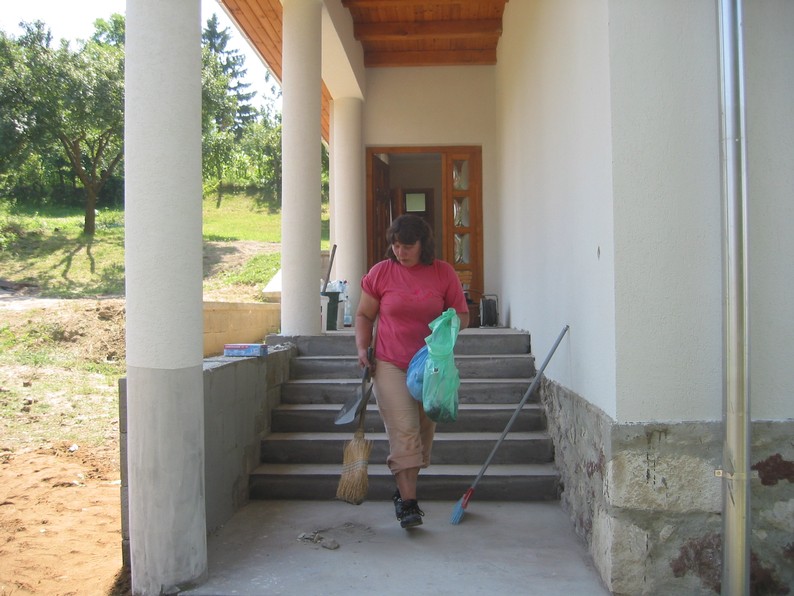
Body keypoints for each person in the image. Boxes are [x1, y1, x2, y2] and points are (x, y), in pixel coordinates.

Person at [355, 214, 470, 528]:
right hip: (389, 362)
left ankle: (403, 490)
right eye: (395, 245)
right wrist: (362, 349)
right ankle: (409, 503)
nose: (400, 252)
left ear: (423, 245)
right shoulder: (381, 273)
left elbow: (462, 315)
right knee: (404, 430)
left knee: (421, 433)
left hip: (430, 366)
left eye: (407, 246)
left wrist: (448, 325)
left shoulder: (442, 273)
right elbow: (364, 315)